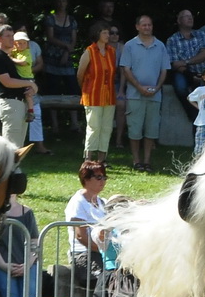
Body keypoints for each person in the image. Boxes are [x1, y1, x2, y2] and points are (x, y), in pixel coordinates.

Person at [119, 15, 168, 172]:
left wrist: (158, 87)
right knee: (134, 129)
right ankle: (136, 161)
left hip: (155, 95)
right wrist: (139, 87)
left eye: (149, 25)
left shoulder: (160, 46)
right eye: (144, 25)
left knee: (151, 130)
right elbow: (126, 69)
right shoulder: (130, 45)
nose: (147, 27)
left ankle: (147, 161)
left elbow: (164, 70)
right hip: (135, 94)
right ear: (137, 27)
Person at [0, 26, 36, 148]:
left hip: (21, 103)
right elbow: (7, 82)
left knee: (18, 147)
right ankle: (7, 168)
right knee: (10, 147)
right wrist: (30, 84)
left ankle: (14, 167)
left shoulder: (10, 57)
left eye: (12, 36)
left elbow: (21, 79)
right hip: (10, 104)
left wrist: (32, 87)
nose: (12, 39)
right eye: (8, 36)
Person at [76, 22, 118, 162]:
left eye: (108, 33)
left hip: (109, 96)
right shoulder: (89, 51)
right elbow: (80, 74)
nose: (108, 35)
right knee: (93, 127)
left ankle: (101, 160)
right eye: (105, 33)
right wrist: (86, 89)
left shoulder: (111, 51)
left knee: (107, 128)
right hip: (92, 95)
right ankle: (88, 160)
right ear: (97, 34)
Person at [66, 160, 111, 268]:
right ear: (86, 179)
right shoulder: (78, 202)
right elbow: (81, 236)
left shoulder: (102, 202)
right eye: (98, 177)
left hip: (101, 253)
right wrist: (103, 250)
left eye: (104, 178)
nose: (103, 181)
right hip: (83, 254)